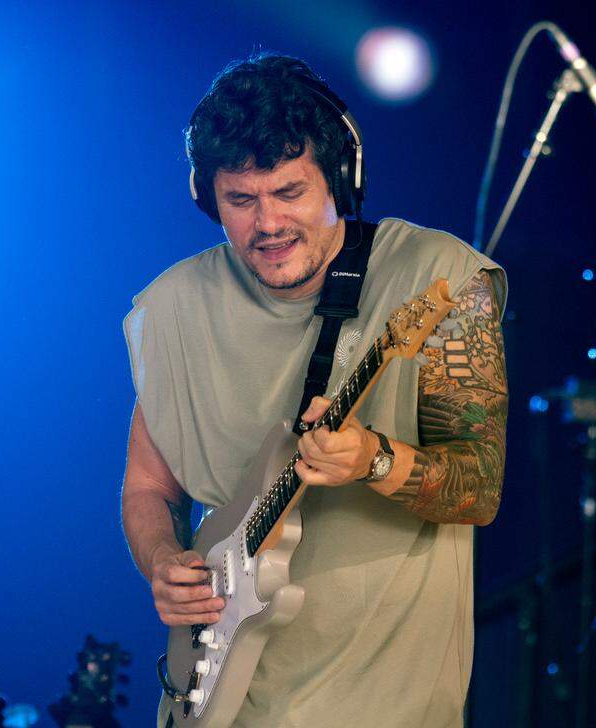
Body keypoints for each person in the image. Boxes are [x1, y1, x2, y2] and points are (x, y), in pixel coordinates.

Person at [121, 53, 508, 728]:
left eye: (290, 192)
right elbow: (148, 485)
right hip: (216, 699)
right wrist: (164, 563)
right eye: (241, 201)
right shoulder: (175, 306)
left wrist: (374, 460)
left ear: (341, 180)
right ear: (207, 198)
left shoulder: (439, 275)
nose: (268, 224)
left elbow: (478, 487)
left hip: (384, 703)